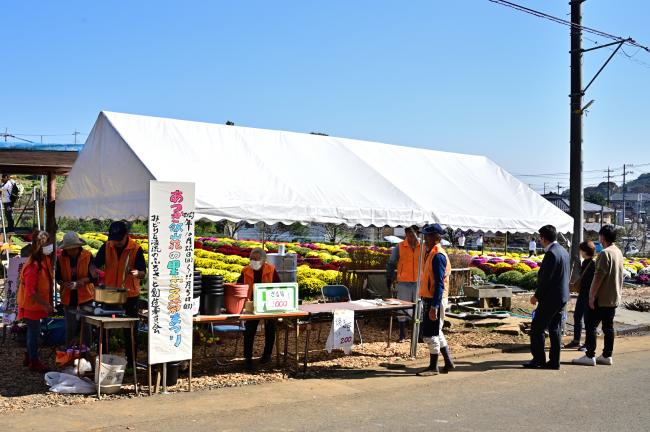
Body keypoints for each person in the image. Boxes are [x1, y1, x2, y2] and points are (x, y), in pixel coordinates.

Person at [94, 221, 146, 367]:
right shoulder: (107, 246)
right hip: (110, 294)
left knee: (130, 330)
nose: (116, 242)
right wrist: (93, 271)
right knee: (104, 329)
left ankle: (131, 363)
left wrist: (137, 273)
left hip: (130, 295)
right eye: (113, 239)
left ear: (126, 236)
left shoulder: (136, 249)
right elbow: (96, 264)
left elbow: (143, 272)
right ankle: (104, 362)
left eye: (119, 239)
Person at [573, 225, 624, 366]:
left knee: (591, 326)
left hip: (601, 298)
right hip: (613, 297)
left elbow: (599, 276)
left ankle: (590, 356)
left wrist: (591, 296)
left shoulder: (604, 253)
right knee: (608, 328)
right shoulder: (618, 252)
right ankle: (607, 355)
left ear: (602, 237)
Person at [524, 225, 570, 370]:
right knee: (555, 328)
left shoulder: (551, 254)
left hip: (550, 298)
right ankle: (554, 361)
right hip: (562, 297)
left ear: (543, 238)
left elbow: (546, 279)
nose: (539, 240)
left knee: (537, 328)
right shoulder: (563, 251)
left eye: (540, 237)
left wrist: (536, 296)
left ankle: (538, 359)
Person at [416, 223, 455, 376]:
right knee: (436, 331)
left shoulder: (437, 255)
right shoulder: (432, 252)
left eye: (428, 235)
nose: (425, 238)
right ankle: (448, 362)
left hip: (435, 299)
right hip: (432, 297)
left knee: (430, 334)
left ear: (436, 238)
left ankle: (433, 367)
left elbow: (439, 283)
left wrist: (434, 306)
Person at [237, 247, 281, 371]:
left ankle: (267, 355)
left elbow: (278, 286)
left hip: (268, 305)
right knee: (249, 331)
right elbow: (239, 286)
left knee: (270, 329)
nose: (253, 261)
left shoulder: (271, 270)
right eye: (251, 259)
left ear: (263, 260)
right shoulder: (245, 270)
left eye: (256, 259)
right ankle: (248, 358)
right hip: (250, 305)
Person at [17, 230, 54, 373]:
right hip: (31, 305)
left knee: (33, 332)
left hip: (36, 305)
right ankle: (33, 361)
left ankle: (29, 356)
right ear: (41, 244)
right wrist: (47, 305)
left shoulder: (43, 260)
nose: (50, 245)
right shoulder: (33, 264)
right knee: (34, 333)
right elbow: (31, 292)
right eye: (48, 242)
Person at [56, 231, 96, 345]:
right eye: (68, 248)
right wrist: (63, 284)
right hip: (68, 296)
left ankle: (87, 351)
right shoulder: (60, 258)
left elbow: (94, 277)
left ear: (78, 246)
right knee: (70, 327)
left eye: (73, 248)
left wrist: (82, 282)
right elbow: (58, 277)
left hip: (86, 296)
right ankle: (69, 351)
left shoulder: (88, 256)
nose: (71, 251)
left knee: (86, 325)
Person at [386, 226, 421, 342]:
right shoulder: (400, 246)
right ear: (406, 234)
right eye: (409, 234)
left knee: (419, 308)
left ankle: (418, 334)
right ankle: (402, 334)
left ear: (417, 233)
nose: (411, 236)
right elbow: (391, 263)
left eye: (414, 234)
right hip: (404, 282)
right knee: (402, 309)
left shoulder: (423, 246)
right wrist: (389, 277)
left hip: (419, 282)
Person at [564, 241, 596, 350]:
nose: (580, 252)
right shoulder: (584, 262)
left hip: (589, 295)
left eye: (581, 250)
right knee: (577, 316)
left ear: (585, 251)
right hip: (582, 294)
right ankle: (576, 340)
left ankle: (587, 344)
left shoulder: (593, 264)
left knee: (588, 320)